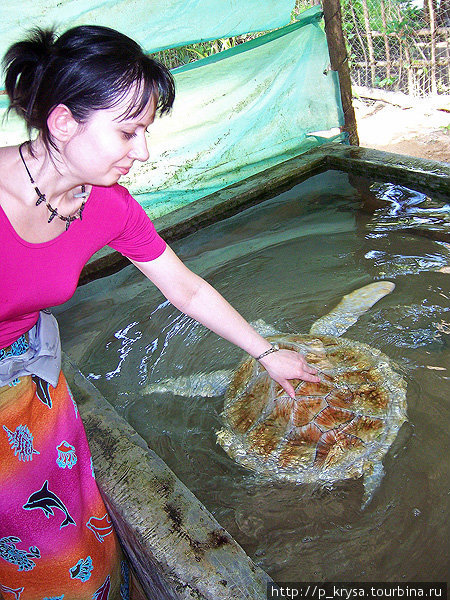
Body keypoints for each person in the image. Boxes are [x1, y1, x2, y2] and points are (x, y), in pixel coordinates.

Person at [0, 25, 319, 600]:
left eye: (145, 132)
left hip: (30, 381)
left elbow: (185, 288)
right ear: (63, 122)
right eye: (127, 132)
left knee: (66, 531)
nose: (142, 152)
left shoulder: (107, 205)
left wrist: (268, 353)